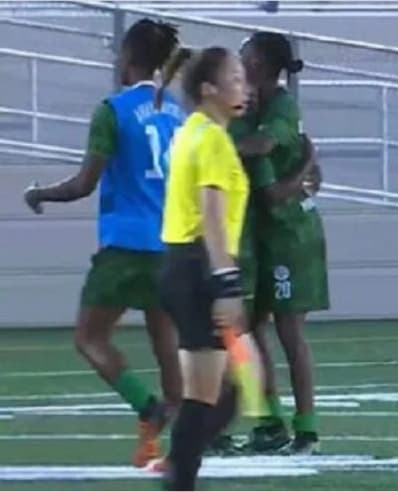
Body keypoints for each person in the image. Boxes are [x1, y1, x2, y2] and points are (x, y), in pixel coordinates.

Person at [20, 18, 186, 468]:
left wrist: (39, 193)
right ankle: (178, 445)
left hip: (126, 243)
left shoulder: (112, 110)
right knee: (166, 339)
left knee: (90, 338)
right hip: (172, 241)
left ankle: (147, 408)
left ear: (128, 58)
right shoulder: (177, 111)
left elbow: (83, 184)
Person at [155, 45, 265, 490]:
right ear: (208, 89)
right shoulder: (213, 139)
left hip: (182, 266)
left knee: (233, 387)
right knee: (212, 396)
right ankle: (179, 474)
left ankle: (179, 465)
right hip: (202, 267)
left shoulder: (192, 130)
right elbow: (213, 217)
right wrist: (225, 284)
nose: (246, 87)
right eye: (235, 79)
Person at [227, 31, 327, 456]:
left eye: (244, 55)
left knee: (289, 332)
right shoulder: (247, 105)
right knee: (248, 328)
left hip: (290, 236)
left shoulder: (283, 106)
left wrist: (212, 145)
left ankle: (307, 429)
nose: (238, 61)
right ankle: (269, 422)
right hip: (260, 232)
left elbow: (264, 147)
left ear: (262, 64)